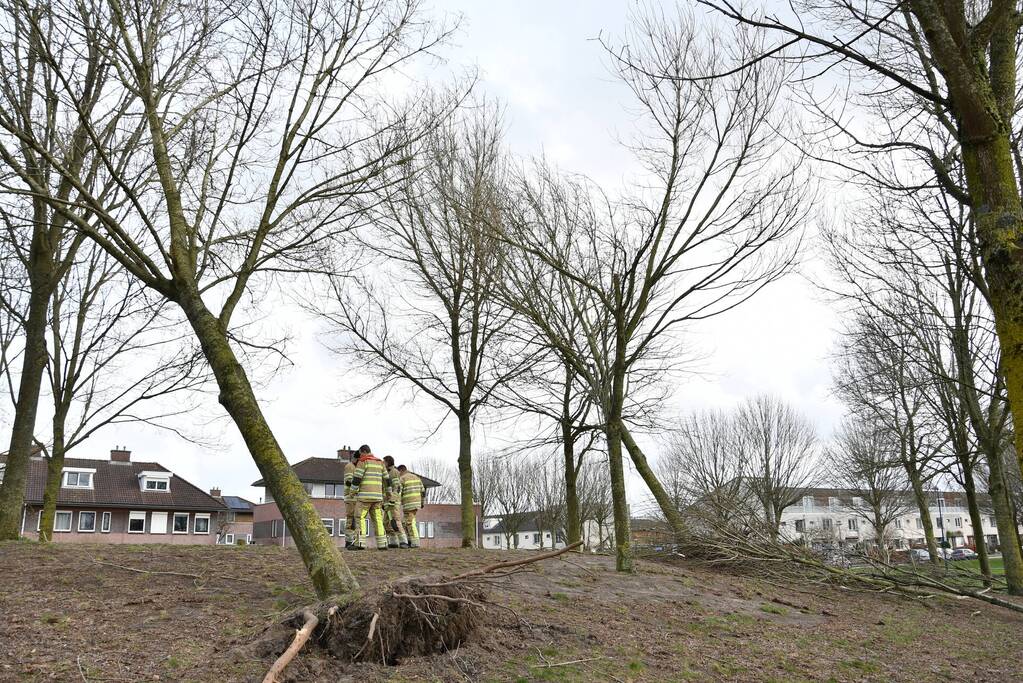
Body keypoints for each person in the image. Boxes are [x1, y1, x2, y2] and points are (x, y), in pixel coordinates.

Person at [350, 444, 388, 550]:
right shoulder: (380, 462)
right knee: (378, 519)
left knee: (360, 517)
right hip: (378, 497)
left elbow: (357, 479)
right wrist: (388, 493)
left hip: (364, 497)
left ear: (363, 452)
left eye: (360, 453)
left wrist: (352, 492)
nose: (360, 456)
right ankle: (383, 544)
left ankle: (360, 543)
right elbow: (387, 480)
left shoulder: (363, 461)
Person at [382, 456, 409, 548]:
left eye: (384, 462)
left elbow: (397, 487)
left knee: (396, 521)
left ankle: (403, 541)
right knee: (386, 523)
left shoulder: (394, 472)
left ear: (388, 462)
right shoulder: (386, 472)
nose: (383, 464)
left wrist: (392, 500)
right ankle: (393, 541)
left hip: (393, 503)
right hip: (387, 503)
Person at [397, 464, 424, 548]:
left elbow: (398, 492)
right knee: (405, 522)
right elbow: (423, 491)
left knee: (410, 523)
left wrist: (395, 503)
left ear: (401, 470)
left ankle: (415, 542)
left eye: (398, 473)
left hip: (408, 504)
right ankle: (410, 540)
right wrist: (422, 502)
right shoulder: (417, 478)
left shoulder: (402, 478)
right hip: (416, 503)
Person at [343, 451, 360, 549]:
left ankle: (352, 540)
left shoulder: (354, 467)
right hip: (351, 497)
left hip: (354, 497)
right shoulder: (350, 466)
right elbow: (349, 481)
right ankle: (349, 541)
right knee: (351, 519)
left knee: (354, 519)